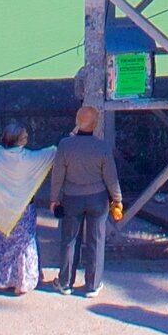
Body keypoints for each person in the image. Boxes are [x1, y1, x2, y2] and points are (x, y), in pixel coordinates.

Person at [0, 118, 57, 295]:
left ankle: (2, 279)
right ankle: (23, 281)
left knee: (3, 245)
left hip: (0, 209)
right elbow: (50, 154)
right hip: (23, 210)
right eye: (24, 137)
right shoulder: (26, 159)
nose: (27, 138)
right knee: (24, 244)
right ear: (18, 140)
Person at [49, 104, 118, 295]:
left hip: (72, 198)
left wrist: (54, 198)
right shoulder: (102, 147)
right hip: (98, 199)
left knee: (70, 240)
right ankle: (92, 285)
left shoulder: (65, 145)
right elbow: (111, 177)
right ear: (96, 125)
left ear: (76, 122)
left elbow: (58, 175)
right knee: (96, 241)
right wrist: (117, 199)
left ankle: (65, 282)